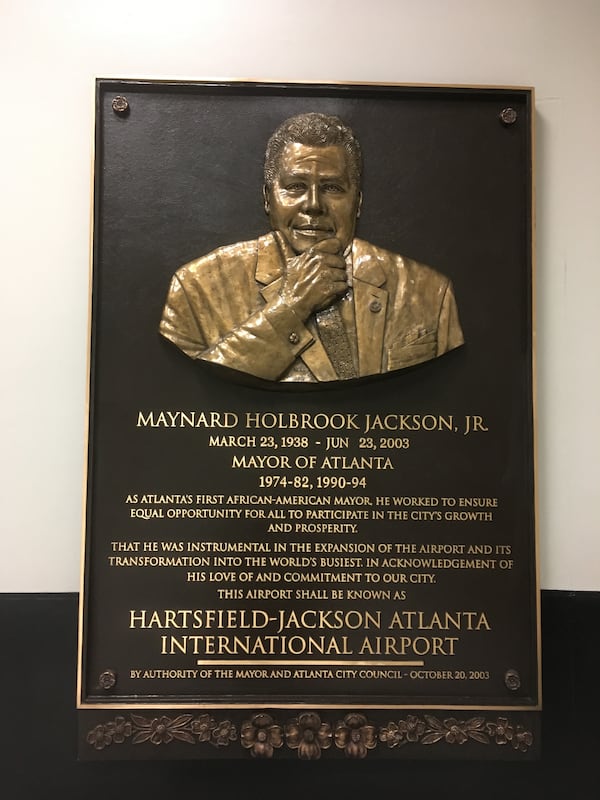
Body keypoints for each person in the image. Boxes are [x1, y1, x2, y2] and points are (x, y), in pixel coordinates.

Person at [159, 112, 464, 383]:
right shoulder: (195, 289)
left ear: (357, 202)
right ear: (268, 198)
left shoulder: (430, 293)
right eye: (295, 187)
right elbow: (189, 396)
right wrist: (292, 307)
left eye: (332, 188)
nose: (313, 205)